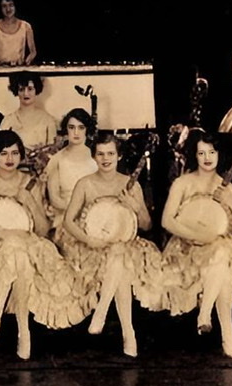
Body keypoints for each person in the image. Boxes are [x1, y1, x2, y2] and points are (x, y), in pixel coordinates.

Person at [0, 130, 82, 359]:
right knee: (14, 248)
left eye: (15, 153)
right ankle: (24, 332)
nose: (10, 158)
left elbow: (42, 230)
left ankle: (12, 326)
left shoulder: (30, 184)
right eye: (3, 153)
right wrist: (5, 234)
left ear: (21, 155)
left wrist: (31, 203)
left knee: (18, 252)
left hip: (27, 245)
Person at [162, 132, 232, 359]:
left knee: (223, 254)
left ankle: (205, 315)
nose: (207, 157)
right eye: (201, 152)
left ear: (219, 155)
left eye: (212, 152)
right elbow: (167, 221)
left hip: (218, 250)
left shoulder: (230, 189)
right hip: (187, 248)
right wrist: (197, 235)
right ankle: (227, 334)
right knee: (223, 259)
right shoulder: (183, 183)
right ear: (195, 155)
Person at [58, 133, 164, 357]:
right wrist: (89, 240)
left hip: (125, 246)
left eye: (110, 154)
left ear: (119, 156)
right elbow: (68, 221)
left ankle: (103, 312)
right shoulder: (85, 184)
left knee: (120, 254)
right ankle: (129, 334)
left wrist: (135, 205)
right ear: (94, 156)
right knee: (119, 259)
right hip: (92, 246)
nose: (105, 159)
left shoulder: (130, 184)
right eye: (100, 154)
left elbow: (146, 225)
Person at [42, 109, 97, 230]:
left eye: (81, 127)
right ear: (66, 129)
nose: (76, 132)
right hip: (65, 216)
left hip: (94, 214)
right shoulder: (57, 159)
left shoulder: (97, 157)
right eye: (71, 127)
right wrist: (76, 211)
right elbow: (54, 198)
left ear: (87, 130)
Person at [0, 0, 37, 66]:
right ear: (0, 8)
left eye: (11, 5)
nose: (8, 9)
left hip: (19, 70)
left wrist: (27, 61)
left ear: (16, 6)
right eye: (4, 6)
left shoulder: (26, 26)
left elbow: (33, 52)